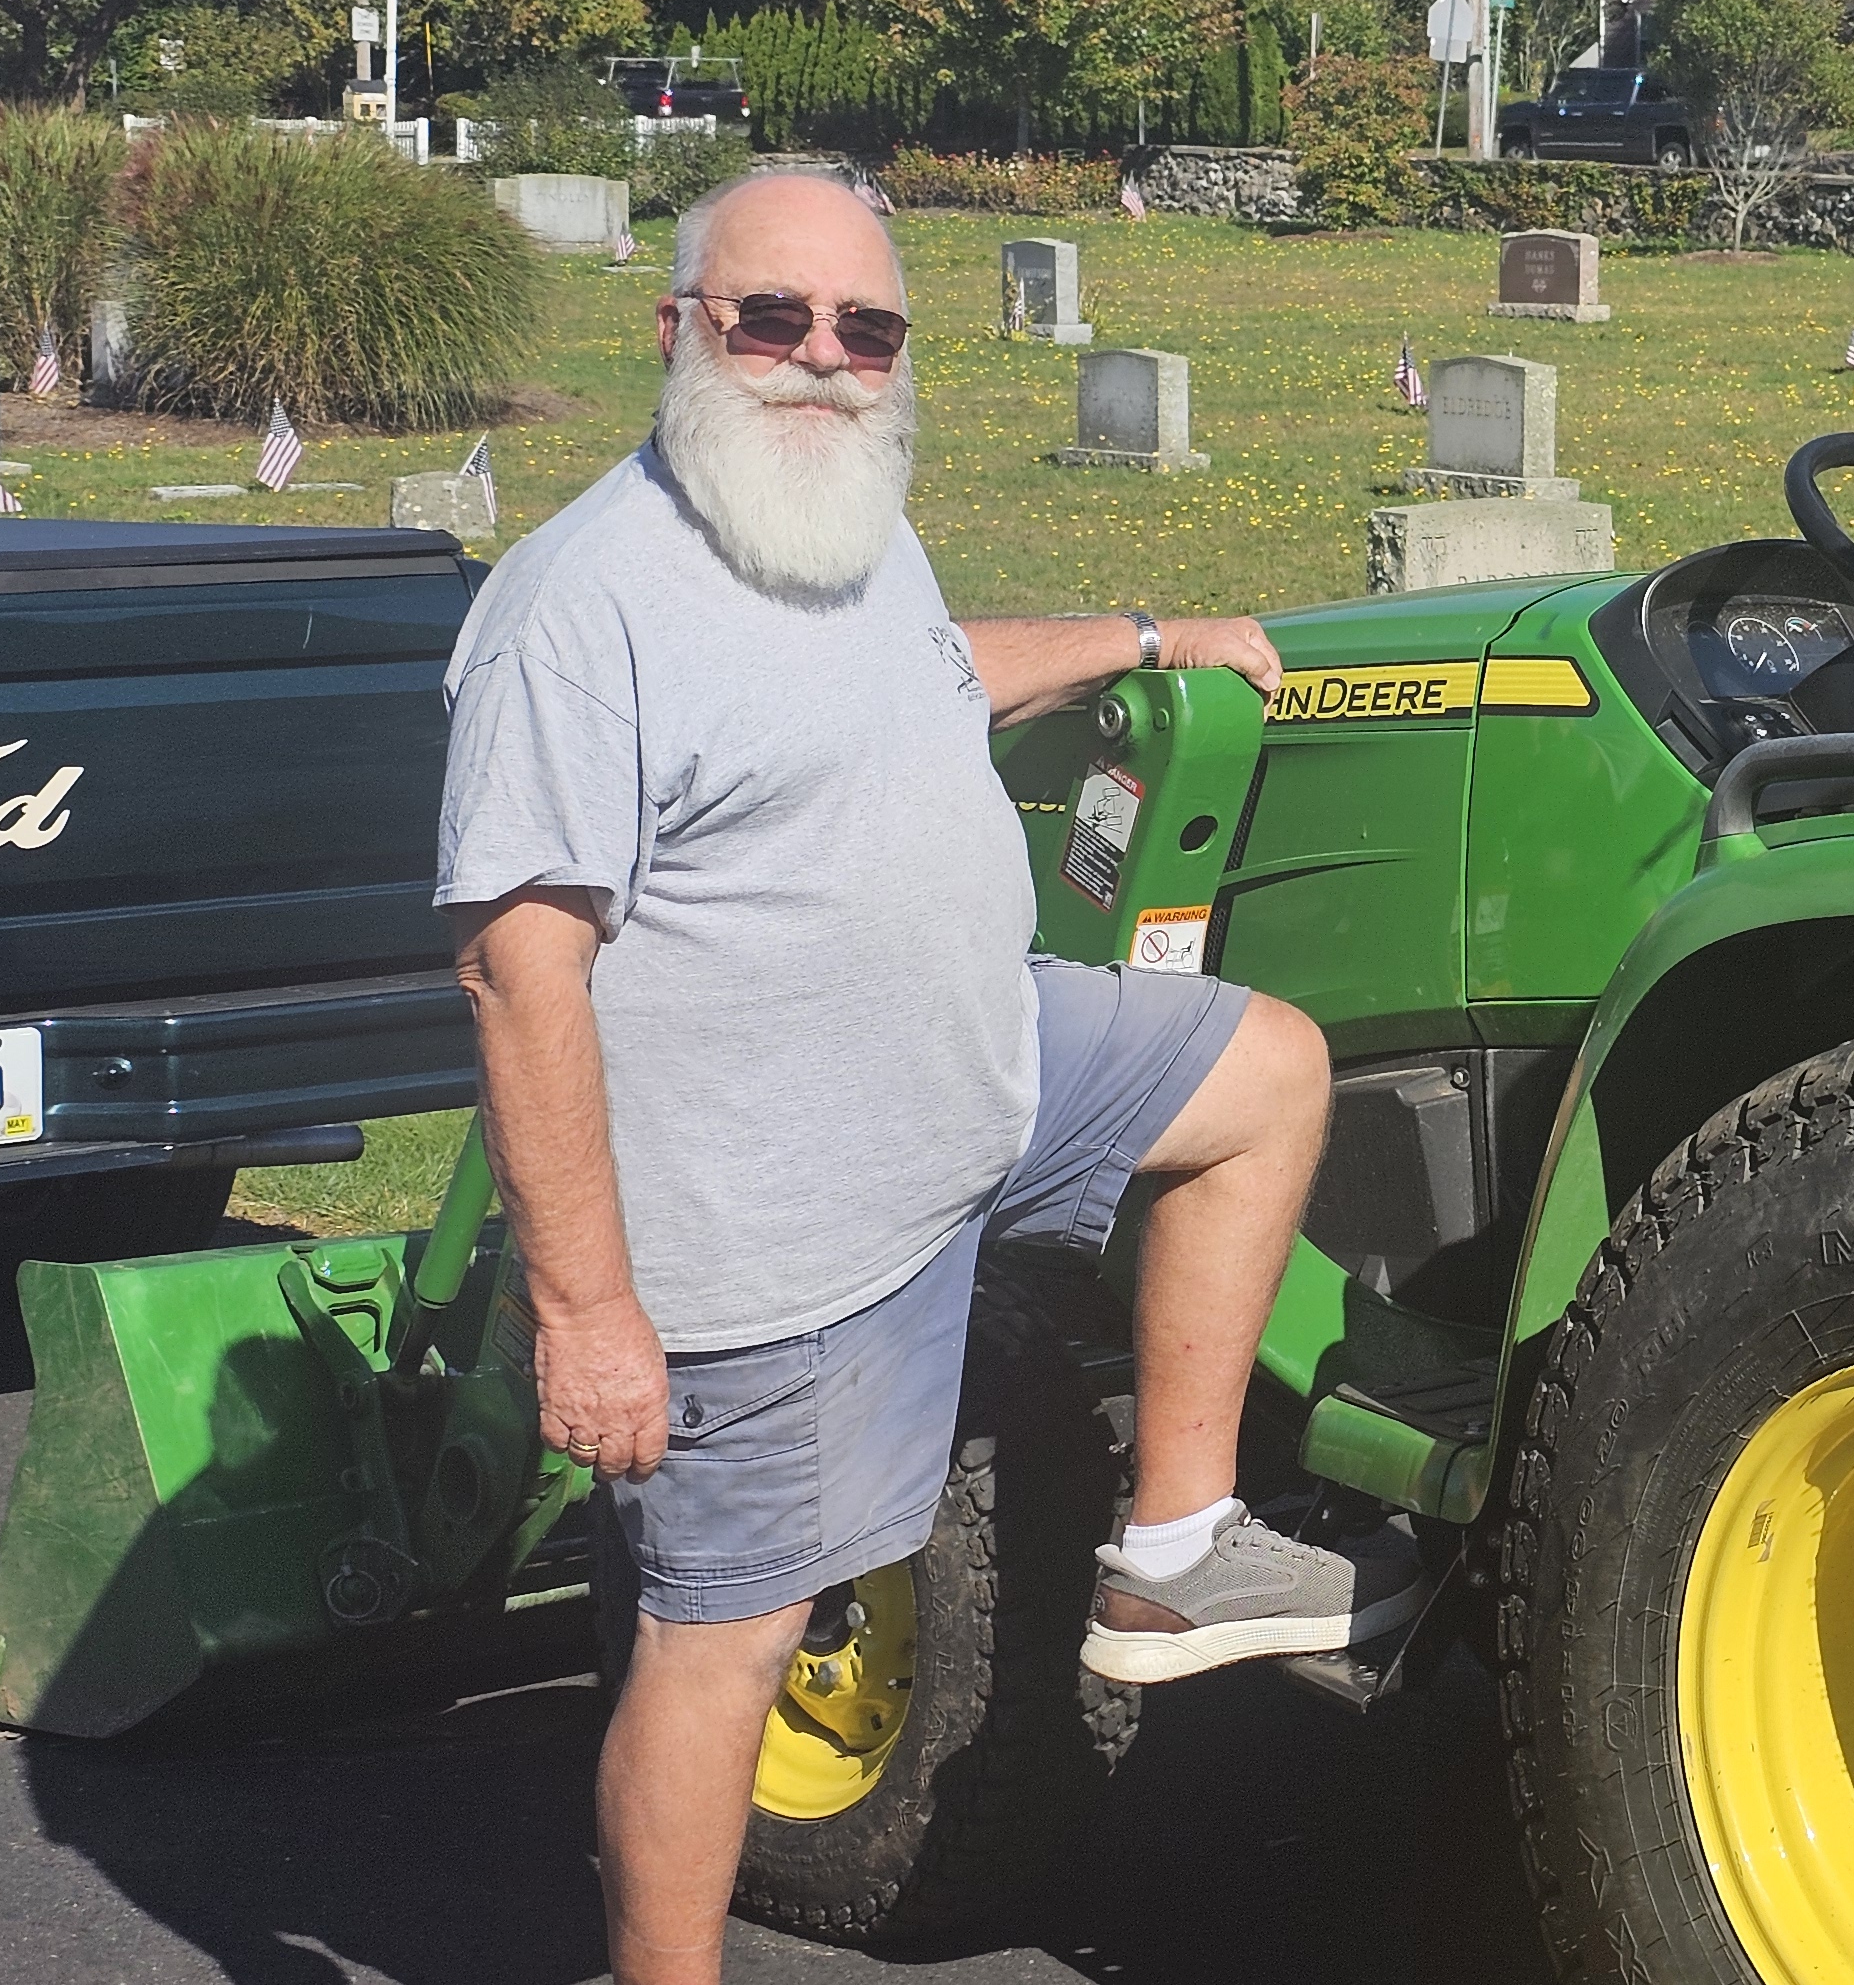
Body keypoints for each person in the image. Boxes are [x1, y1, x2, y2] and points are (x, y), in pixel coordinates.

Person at [435, 170, 1410, 1985]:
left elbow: (929, 675)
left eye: (864, 330)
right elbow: (517, 964)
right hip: (775, 1213)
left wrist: (1139, 636)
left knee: (1262, 1069)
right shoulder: (580, 608)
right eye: (772, 319)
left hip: (985, 1075)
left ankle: (1175, 1543)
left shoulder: (840, 527)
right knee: (733, 1636)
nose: (822, 360)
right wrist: (586, 1311)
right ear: (676, 333)